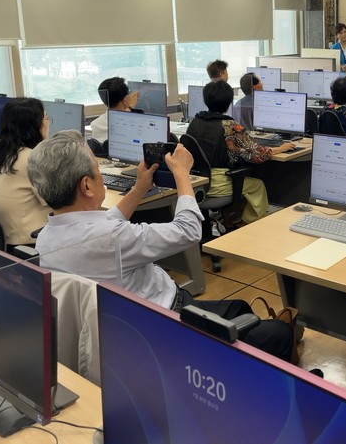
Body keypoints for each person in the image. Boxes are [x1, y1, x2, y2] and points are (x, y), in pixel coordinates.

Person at [28, 130, 293, 361]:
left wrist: (139, 187)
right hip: (168, 324)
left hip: (129, 329)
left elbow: (106, 224)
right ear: (86, 185)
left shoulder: (47, 237)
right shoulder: (113, 238)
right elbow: (188, 231)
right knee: (279, 333)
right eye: (97, 169)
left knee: (240, 308)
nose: (99, 174)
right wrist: (182, 175)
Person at [186, 80, 294, 224]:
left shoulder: (196, 121)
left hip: (194, 181)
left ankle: (231, 218)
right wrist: (280, 148)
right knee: (257, 185)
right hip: (216, 183)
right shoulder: (229, 126)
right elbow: (258, 153)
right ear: (229, 101)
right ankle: (249, 226)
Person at [0, 98, 50, 246]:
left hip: (2, 238)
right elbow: (57, 199)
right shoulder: (33, 159)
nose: (48, 123)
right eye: (46, 118)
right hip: (28, 240)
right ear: (36, 125)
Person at [90, 77, 139, 143]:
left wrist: (129, 106)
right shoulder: (132, 125)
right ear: (125, 100)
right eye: (128, 93)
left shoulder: (95, 124)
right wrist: (129, 106)